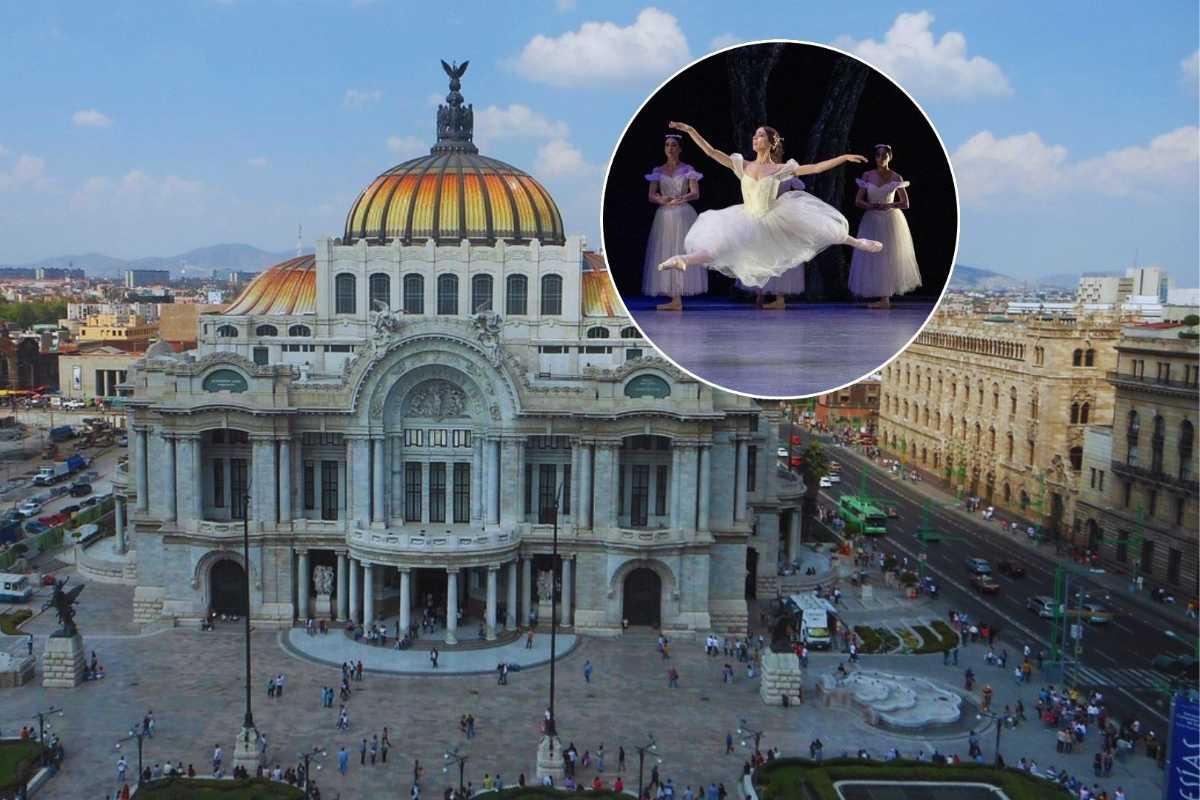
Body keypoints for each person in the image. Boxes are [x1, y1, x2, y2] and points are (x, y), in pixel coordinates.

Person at [656, 122, 879, 293]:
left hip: (772, 215)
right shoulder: (742, 165)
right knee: (718, 246)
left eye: (760, 135)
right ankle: (682, 259)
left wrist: (843, 157)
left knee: (815, 228)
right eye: (755, 135)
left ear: (772, 142)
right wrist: (690, 130)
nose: (755, 138)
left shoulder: (780, 169)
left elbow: (816, 168)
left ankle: (856, 241)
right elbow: (711, 151)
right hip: (746, 217)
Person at [643, 134, 707, 311]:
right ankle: (674, 298)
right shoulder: (658, 171)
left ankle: (677, 297)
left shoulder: (688, 169)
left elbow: (695, 193)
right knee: (666, 250)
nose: (670, 148)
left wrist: (681, 198)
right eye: (667, 145)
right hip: (665, 215)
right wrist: (661, 199)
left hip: (682, 214)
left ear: (679, 149)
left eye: (673, 145)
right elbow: (651, 195)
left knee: (680, 249)